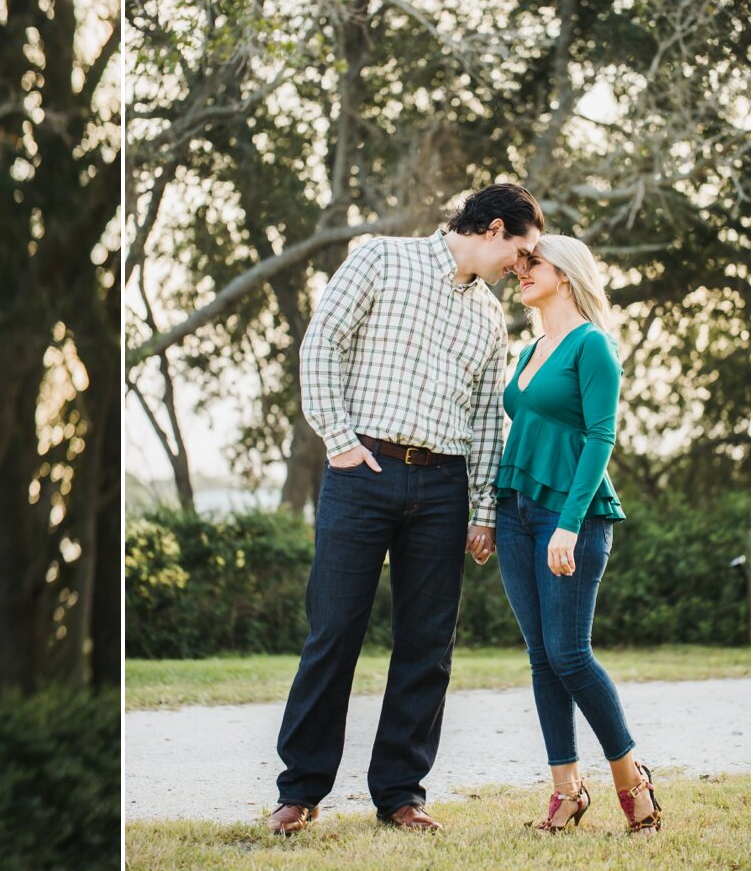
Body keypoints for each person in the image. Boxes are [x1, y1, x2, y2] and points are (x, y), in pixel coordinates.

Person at [268, 183, 542, 835]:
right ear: (494, 228)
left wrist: (481, 510)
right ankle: (300, 789)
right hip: (363, 469)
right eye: (521, 251)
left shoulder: (489, 318)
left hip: (443, 484)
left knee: (427, 644)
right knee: (334, 630)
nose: (521, 265)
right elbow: (322, 343)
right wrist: (338, 440)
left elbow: (482, 421)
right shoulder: (379, 258)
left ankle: (399, 792)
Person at [494, 234, 659, 834]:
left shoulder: (594, 346)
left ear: (564, 273)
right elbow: (519, 432)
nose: (521, 271)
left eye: (531, 263)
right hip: (515, 513)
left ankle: (630, 777)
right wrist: (489, 513)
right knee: (542, 657)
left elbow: (600, 437)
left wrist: (566, 524)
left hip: (575, 518)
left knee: (569, 652)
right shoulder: (531, 349)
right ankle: (567, 792)